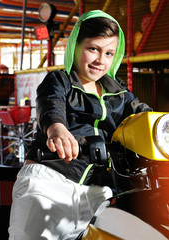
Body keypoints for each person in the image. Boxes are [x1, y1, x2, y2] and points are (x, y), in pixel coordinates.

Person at [8, 10, 152, 240]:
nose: (100, 60)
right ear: (75, 46)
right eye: (93, 49)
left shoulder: (120, 93)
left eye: (108, 53)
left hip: (99, 188)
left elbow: (148, 119)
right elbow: (50, 106)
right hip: (49, 180)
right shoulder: (59, 81)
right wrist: (58, 130)